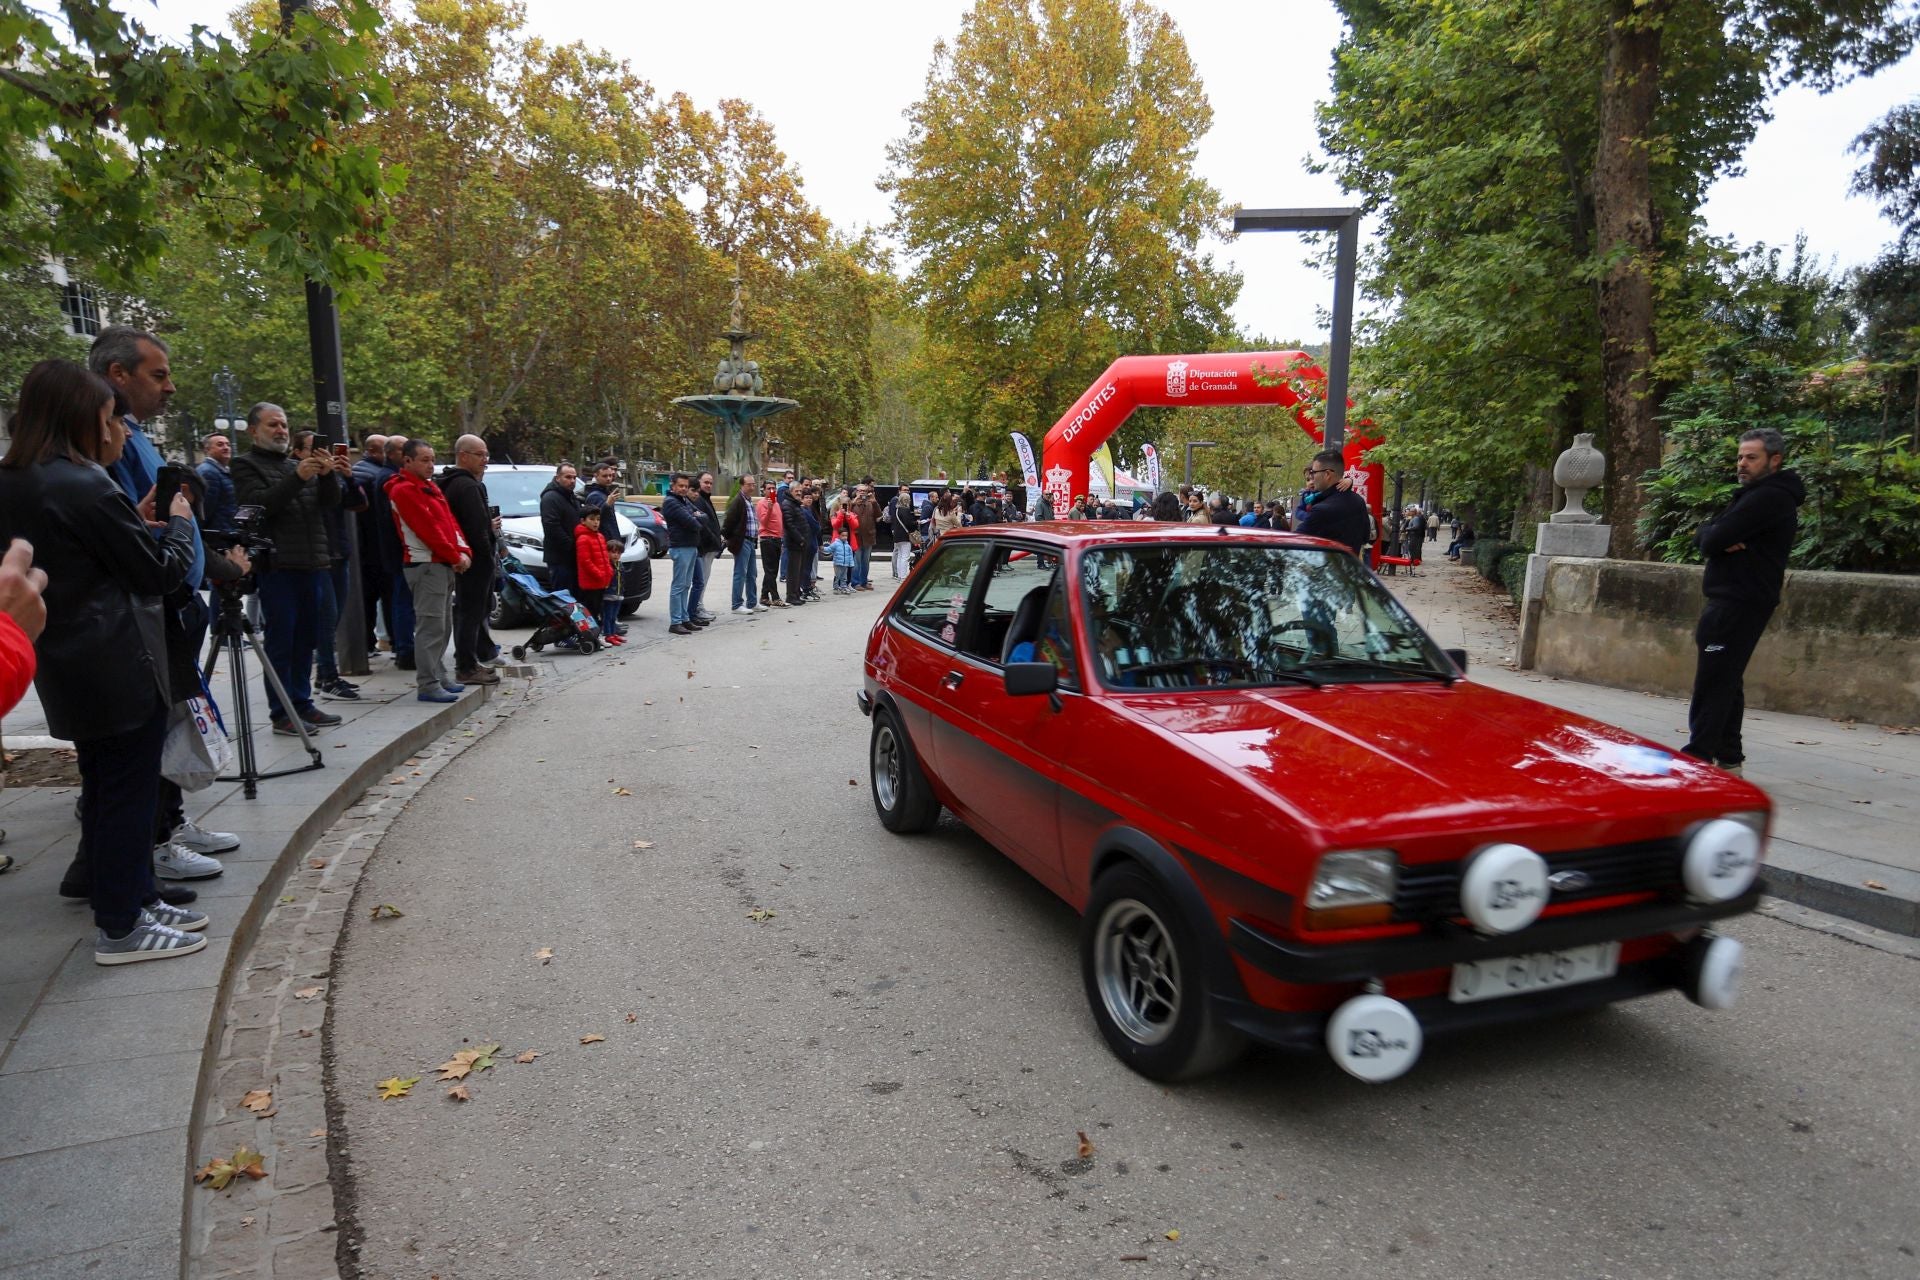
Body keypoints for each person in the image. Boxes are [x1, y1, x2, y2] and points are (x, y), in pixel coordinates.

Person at [0, 360, 211, 962]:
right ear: (85, 415)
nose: (117, 427)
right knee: (126, 792)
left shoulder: (15, 480)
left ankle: (133, 895)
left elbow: (82, 552)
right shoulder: (84, 483)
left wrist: (132, 524)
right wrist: (177, 524)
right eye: (108, 415)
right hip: (117, 657)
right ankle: (122, 923)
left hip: (61, 657)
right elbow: (159, 574)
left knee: (104, 785)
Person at [1679, 427, 1805, 775]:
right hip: (1735, 598)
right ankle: (1729, 759)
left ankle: (1697, 759)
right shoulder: (1756, 495)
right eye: (1740, 457)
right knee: (1727, 679)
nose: (1742, 464)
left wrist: (1714, 537)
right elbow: (1710, 534)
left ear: (1774, 460)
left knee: (1713, 681)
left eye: (1752, 457)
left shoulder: (1770, 498)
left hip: (1739, 600)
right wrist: (1714, 535)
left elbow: (1711, 539)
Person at [231, 402, 346, 736]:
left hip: (314, 563)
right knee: (283, 641)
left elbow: (329, 504)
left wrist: (326, 477)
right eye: (272, 425)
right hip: (279, 566)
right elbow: (261, 505)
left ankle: (302, 702)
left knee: (307, 638)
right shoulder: (244, 465)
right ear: (253, 431)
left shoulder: (299, 465)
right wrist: (298, 477)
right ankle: (281, 711)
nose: (281, 431)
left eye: (283, 425)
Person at [385, 438, 471, 701]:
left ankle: (438, 675)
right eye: (425, 460)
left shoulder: (429, 488)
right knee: (431, 626)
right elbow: (428, 531)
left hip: (441, 563)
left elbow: (449, 523)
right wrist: (456, 554)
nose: (431, 465)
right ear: (407, 461)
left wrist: (463, 551)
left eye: (432, 459)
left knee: (442, 626)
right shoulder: (404, 490)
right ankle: (428, 682)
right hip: (426, 564)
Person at [295, 430, 366, 704]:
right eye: (314, 450)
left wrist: (347, 476)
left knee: (333, 617)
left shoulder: (332, 477)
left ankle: (326, 673)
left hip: (338, 552)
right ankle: (327, 675)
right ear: (299, 452)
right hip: (317, 556)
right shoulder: (298, 477)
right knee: (326, 618)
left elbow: (358, 503)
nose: (322, 455)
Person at [440, 434, 502, 685]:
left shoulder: (458, 483)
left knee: (472, 612)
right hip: (474, 560)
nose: (484, 460)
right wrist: (486, 555)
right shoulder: (465, 486)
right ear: (462, 456)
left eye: (486, 455)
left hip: (468, 557)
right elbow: (476, 528)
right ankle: (465, 666)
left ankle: (470, 660)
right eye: (479, 455)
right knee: (471, 612)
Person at [352, 434, 396, 654]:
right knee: (384, 597)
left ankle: (367, 643)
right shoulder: (378, 477)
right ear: (373, 451)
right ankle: (390, 641)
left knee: (369, 600)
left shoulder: (363, 472)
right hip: (374, 548)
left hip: (366, 548)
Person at [1295, 451, 1370, 556]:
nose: (1312, 478)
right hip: (1351, 569)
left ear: (1327, 474)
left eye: (1314, 473)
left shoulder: (1321, 510)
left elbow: (1295, 541)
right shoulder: (1359, 501)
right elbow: (1366, 537)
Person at [583, 460, 627, 637]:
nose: (609, 478)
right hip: (605, 545)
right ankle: (607, 626)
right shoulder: (595, 495)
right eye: (605, 476)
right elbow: (595, 517)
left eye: (611, 475)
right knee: (608, 590)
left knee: (615, 586)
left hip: (611, 542)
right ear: (596, 476)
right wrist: (606, 504)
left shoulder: (604, 493)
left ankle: (612, 624)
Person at [662, 472, 703, 634]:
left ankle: (684, 619)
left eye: (686, 486)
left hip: (690, 546)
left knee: (686, 584)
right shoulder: (672, 502)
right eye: (681, 486)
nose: (684, 489)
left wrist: (696, 517)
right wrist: (696, 518)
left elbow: (702, 518)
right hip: (681, 546)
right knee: (679, 585)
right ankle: (676, 622)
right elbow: (693, 523)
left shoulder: (683, 500)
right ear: (672, 485)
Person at [574, 502, 620, 645]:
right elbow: (585, 561)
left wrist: (609, 572)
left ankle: (597, 636)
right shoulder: (583, 538)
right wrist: (600, 574)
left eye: (598, 519)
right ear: (583, 521)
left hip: (601, 582)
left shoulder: (599, 536)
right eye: (592, 519)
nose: (595, 522)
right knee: (591, 612)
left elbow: (605, 558)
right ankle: (591, 637)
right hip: (590, 583)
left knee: (599, 610)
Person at [539, 461, 583, 597]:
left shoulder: (571, 497)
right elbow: (552, 526)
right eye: (568, 477)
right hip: (560, 558)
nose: (572, 481)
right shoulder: (550, 498)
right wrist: (571, 546)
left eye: (574, 477)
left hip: (574, 557)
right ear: (557, 478)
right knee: (563, 598)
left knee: (575, 597)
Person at [723, 473, 763, 615]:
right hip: (743, 541)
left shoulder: (748, 500)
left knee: (752, 573)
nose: (752, 487)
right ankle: (737, 604)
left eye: (753, 484)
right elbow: (727, 524)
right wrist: (731, 539)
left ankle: (752, 602)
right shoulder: (738, 501)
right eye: (749, 485)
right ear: (742, 485)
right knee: (740, 573)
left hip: (751, 541)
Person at [688, 471, 724, 623]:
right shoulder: (698, 500)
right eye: (706, 482)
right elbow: (703, 526)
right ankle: (697, 607)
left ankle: (698, 606)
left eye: (711, 483)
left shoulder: (705, 499)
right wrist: (715, 539)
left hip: (709, 547)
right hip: (704, 548)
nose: (709, 485)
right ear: (698, 482)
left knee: (703, 579)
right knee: (700, 580)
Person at [195, 432, 238, 531]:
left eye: (228, 444)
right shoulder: (208, 473)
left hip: (227, 533)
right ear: (207, 449)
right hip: (219, 537)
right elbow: (204, 511)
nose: (226, 447)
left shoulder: (222, 470)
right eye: (220, 444)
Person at [779, 480, 811, 606]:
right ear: (790, 491)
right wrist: (800, 539)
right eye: (796, 491)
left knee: (799, 570)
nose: (799, 493)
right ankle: (791, 596)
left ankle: (796, 594)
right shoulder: (787, 504)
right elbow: (790, 525)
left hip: (801, 543)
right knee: (793, 571)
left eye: (800, 491)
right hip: (794, 543)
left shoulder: (796, 504)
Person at [756, 481, 786, 608]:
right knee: (770, 570)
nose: (772, 491)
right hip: (767, 539)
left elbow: (780, 522)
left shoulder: (777, 504)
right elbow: (763, 521)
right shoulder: (762, 503)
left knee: (773, 571)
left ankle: (764, 596)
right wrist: (768, 509)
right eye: (769, 488)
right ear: (764, 490)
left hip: (777, 539)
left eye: (774, 488)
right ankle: (775, 597)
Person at [888, 489, 920, 578]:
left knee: (899, 556)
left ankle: (899, 575)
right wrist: (916, 523)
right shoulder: (905, 510)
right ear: (907, 500)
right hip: (904, 536)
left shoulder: (897, 510)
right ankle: (903, 576)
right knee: (905, 557)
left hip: (897, 536)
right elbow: (908, 523)